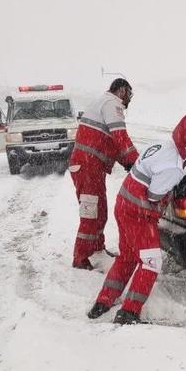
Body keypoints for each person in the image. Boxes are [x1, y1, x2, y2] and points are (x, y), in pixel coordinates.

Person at [87, 112, 186, 324]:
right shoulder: (174, 166)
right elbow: (153, 197)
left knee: (128, 257)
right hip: (138, 214)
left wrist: (174, 185)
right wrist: (177, 191)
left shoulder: (164, 146)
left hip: (123, 204)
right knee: (151, 263)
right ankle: (129, 313)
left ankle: (103, 302)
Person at [68, 78, 139, 270]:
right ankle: (80, 258)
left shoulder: (103, 103)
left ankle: (97, 248)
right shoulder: (112, 104)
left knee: (100, 211)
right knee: (91, 213)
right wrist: (136, 162)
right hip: (87, 167)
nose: (129, 99)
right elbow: (120, 137)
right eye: (129, 94)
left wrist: (127, 161)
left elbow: (111, 144)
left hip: (91, 167)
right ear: (122, 90)